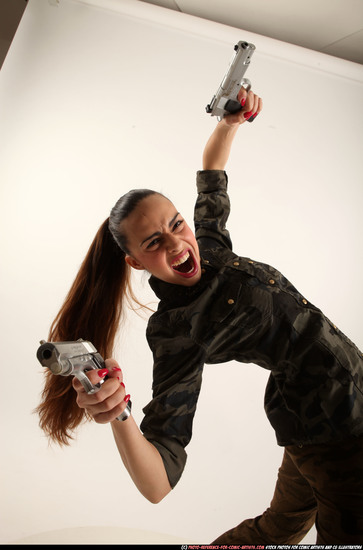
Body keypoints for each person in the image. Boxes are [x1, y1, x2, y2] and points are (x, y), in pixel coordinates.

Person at [36, 88, 363, 544]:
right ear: (134, 262)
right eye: (152, 243)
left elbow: (212, 173)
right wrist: (118, 412)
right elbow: (158, 482)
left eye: (175, 224)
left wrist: (230, 121)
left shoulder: (210, 247)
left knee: (280, 526)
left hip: (333, 400)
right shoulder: (176, 329)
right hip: (336, 433)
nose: (175, 244)